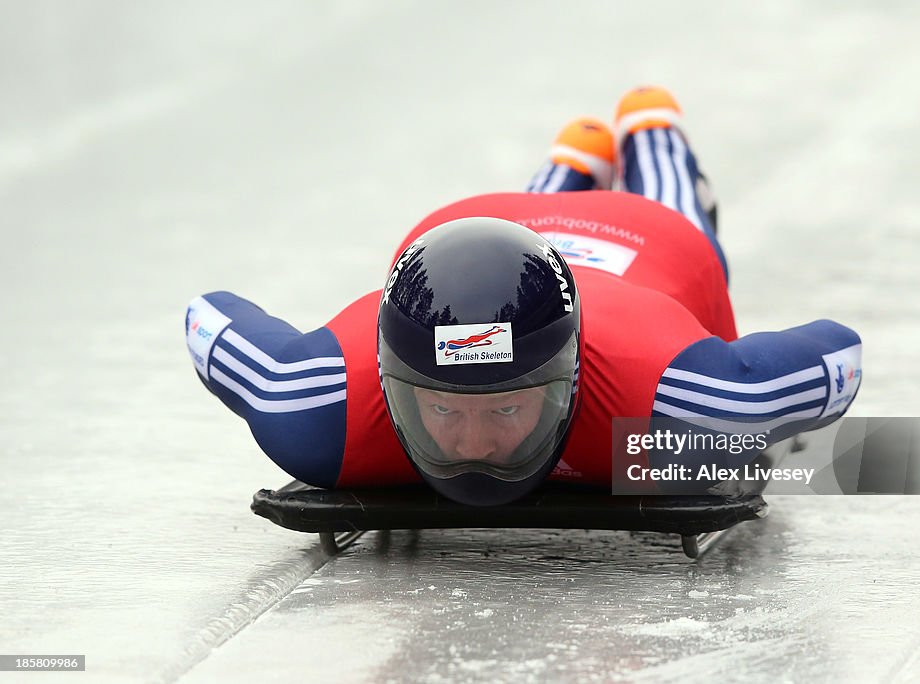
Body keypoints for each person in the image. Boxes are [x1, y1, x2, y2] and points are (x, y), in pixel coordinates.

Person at [185, 86, 863, 506]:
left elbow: (211, 320)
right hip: (486, 224)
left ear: (567, 381)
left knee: (685, 227)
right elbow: (836, 354)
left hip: (639, 237)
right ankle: (592, 151)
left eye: (506, 407)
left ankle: (645, 131)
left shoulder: (670, 414)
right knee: (527, 237)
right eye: (443, 410)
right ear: (390, 380)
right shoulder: (311, 405)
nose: (473, 448)